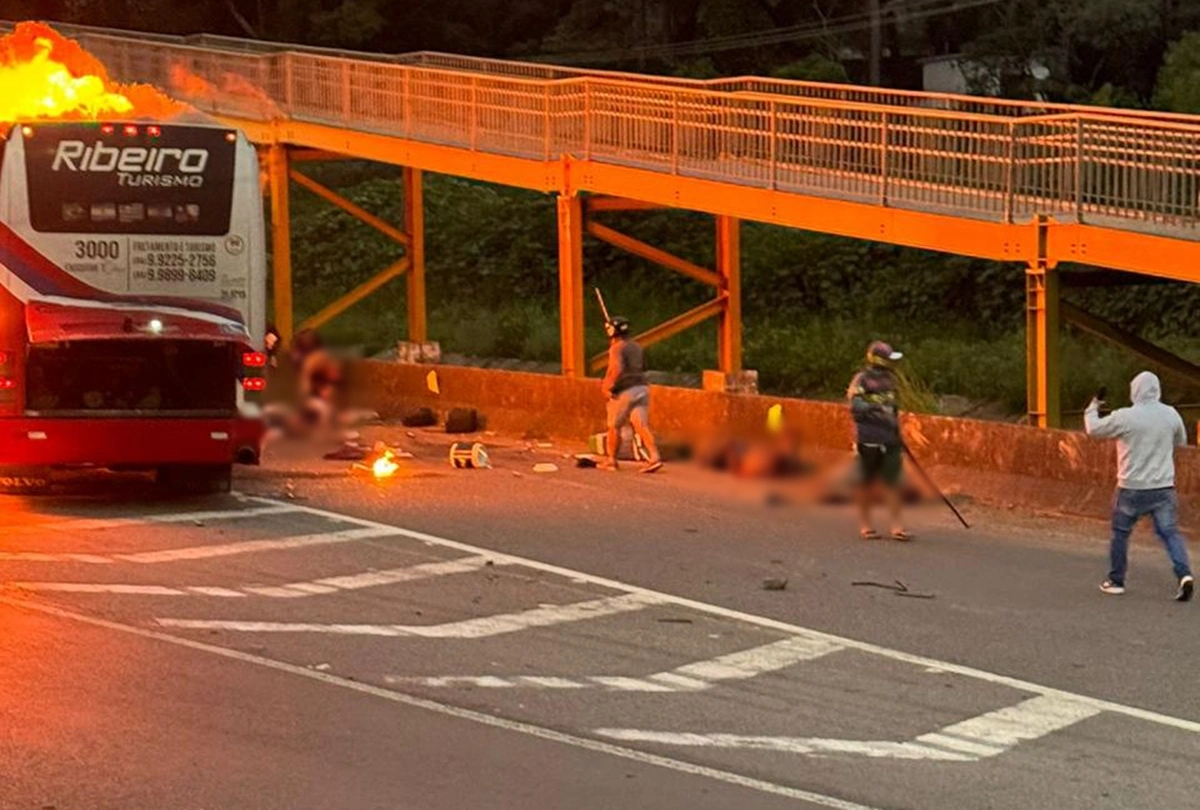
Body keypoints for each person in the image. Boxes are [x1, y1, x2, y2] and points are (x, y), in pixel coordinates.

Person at [1085, 371, 1194, 602]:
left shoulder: (1125, 416)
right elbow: (1180, 442)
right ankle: (1184, 574)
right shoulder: (1171, 415)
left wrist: (1094, 405)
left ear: (1134, 390)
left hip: (1131, 487)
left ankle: (1116, 580)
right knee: (1170, 532)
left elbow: (1093, 429)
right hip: (1163, 487)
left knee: (1121, 533)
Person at [848, 340, 910, 541]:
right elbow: (856, 409)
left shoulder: (891, 380)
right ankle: (866, 525)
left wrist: (898, 430)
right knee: (866, 483)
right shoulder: (861, 380)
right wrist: (876, 409)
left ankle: (897, 526)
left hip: (891, 438)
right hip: (869, 439)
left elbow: (894, 409)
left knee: (893, 482)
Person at [599, 316, 663, 473]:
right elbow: (644, 366)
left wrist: (607, 386)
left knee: (613, 426)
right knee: (640, 424)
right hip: (641, 388)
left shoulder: (616, 348)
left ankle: (611, 460)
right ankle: (654, 457)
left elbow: (617, 369)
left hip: (624, 391)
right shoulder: (636, 346)